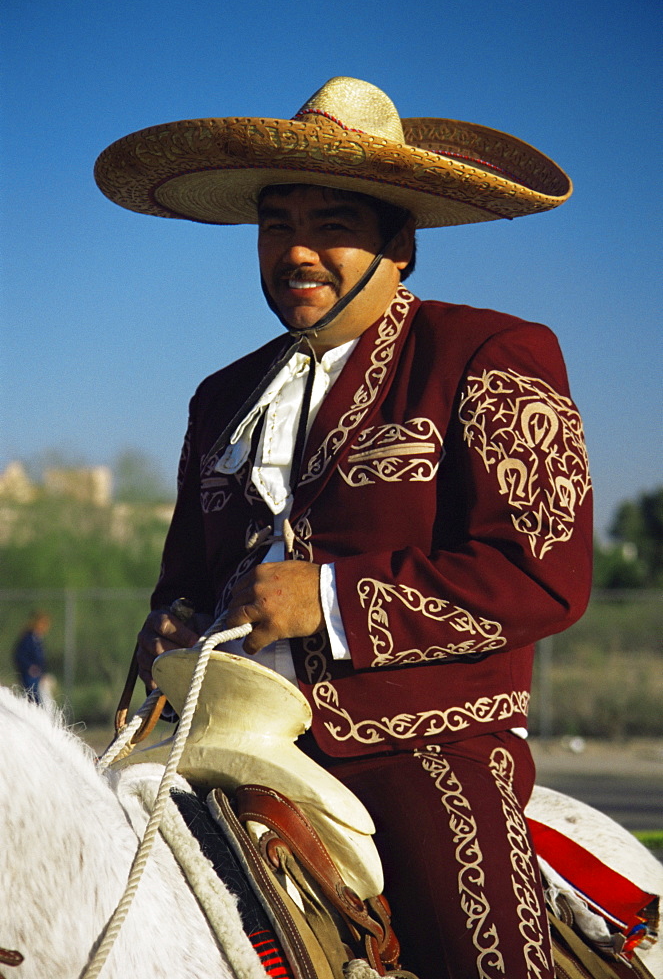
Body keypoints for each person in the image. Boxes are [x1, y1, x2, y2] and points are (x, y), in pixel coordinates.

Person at [95, 77, 593, 978]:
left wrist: (324, 597)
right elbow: (185, 572)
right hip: (225, 731)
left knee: (481, 948)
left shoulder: (488, 353)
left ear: (400, 243)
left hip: (422, 744)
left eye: (332, 224)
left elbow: (542, 577)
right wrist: (172, 618)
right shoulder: (219, 397)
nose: (298, 250)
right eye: (277, 224)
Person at [13, 610, 51, 704]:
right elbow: (19, 655)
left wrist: (43, 673)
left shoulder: (37, 639)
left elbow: (40, 659)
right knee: (32, 699)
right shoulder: (28, 639)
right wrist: (29, 667)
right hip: (29, 675)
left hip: (37, 675)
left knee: (39, 700)